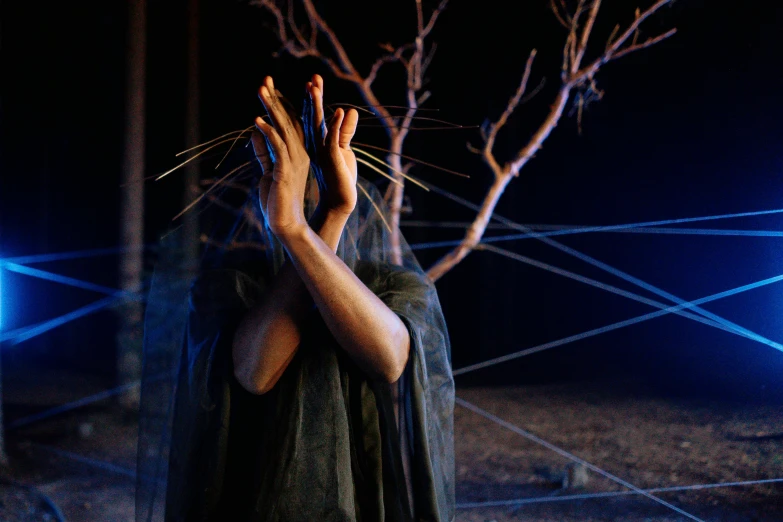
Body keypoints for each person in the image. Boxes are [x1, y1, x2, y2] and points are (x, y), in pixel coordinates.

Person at [136, 74, 454, 522]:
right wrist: (302, 227)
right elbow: (255, 372)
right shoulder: (228, 290)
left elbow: (389, 358)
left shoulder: (394, 288)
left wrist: (323, 217)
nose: (295, 194)